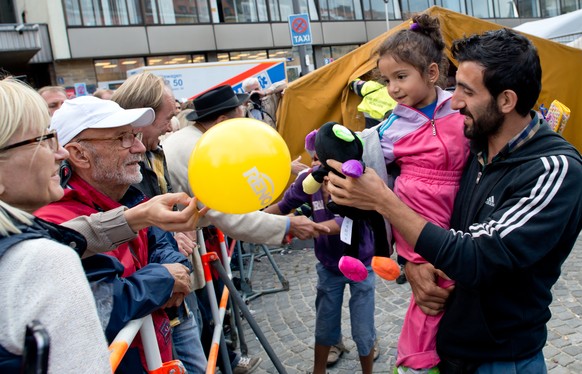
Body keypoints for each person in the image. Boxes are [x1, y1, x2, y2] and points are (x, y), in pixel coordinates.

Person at [326, 28, 582, 373]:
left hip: (501, 358)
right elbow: (434, 216)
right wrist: (412, 264)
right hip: (452, 347)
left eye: (466, 91)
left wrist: (383, 201)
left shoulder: (553, 169)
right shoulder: (475, 147)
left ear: (506, 101)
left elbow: (476, 255)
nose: (454, 101)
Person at [0, 77, 206, 373]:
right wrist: (161, 280)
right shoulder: (38, 249)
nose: (138, 147)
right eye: (42, 141)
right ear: (80, 154)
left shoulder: (130, 196)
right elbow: (101, 299)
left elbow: (157, 241)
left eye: (134, 135)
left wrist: (164, 262)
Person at [163, 84, 329, 374]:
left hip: (191, 241)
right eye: (242, 117)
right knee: (201, 319)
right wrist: (289, 223)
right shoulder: (198, 149)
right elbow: (230, 216)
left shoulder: (197, 140)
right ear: (225, 122)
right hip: (181, 249)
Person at [373, 14, 470, 373]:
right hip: (417, 216)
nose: (393, 89)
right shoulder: (391, 127)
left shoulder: (461, 108)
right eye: (387, 80)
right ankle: (417, 361)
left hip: (460, 211)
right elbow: (369, 164)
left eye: (401, 77)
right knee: (430, 292)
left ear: (431, 73)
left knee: (456, 283)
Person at [112, 72, 208, 374]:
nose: (170, 127)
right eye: (165, 119)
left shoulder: (156, 153)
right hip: (151, 306)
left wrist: (177, 257)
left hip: (172, 294)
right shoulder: (116, 173)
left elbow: (160, 225)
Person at [264, 142, 379, 374]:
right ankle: (319, 370)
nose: (317, 165)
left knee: (363, 327)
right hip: (329, 267)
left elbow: (344, 222)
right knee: (325, 322)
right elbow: (285, 205)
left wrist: (308, 226)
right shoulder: (308, 182)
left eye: (323, 160)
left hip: (362, 265)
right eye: (314, 159)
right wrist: (255, 218)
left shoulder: (356, 182)